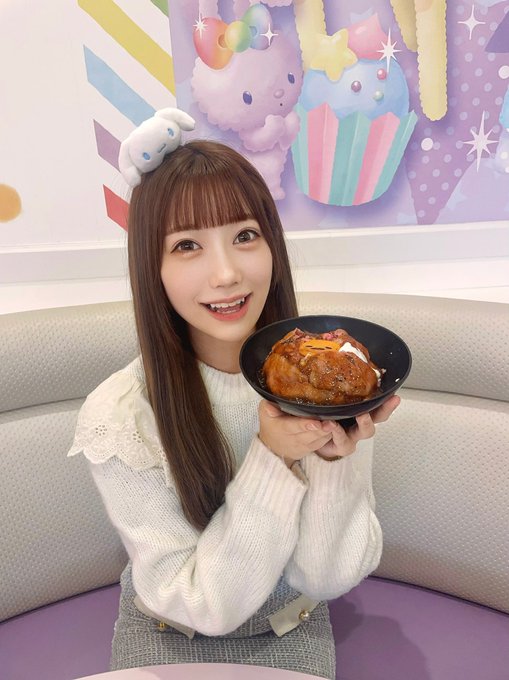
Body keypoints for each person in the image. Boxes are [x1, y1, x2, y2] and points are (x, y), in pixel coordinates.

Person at [68, 108, 399, 679]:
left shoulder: (329, 380)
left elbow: (326, 578)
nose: (226, 274)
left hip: (292, 629)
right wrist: (272, 457)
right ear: (152, 266)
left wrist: (328, 459)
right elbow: (202, 603)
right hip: (167, 634)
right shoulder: (120, 415)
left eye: (245, 236)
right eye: (187, 246)